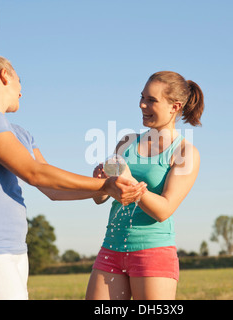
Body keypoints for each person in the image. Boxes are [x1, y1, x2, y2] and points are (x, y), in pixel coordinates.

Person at [0, 53, 146, 300]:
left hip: (10, 248)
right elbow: (34, 173)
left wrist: (106, 189)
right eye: (19, 80)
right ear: (5, 75)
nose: (22, 90)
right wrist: (106, 184)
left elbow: (52, 189)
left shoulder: (21, 134)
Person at [86, 71, 204, 300]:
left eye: (152, 100)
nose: (142, 105)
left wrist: (128, 179)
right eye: (142, 97)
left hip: (153, 251)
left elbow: (164, 210)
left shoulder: (185, 152)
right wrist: (102, 183)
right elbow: (102, 197)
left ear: (175, 107)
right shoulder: (127, 142)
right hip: (112, 247)